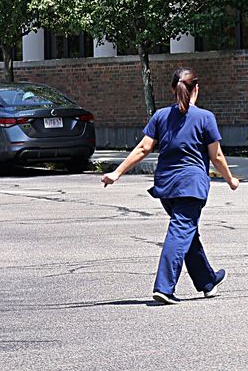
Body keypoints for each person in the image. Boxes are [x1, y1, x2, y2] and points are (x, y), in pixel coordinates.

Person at [102, 67, 240, 303]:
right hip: (191, 186)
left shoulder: (160, 116)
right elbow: (216, 156)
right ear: (196, 88)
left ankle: (207, 279)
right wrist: (231, 180)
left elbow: (144, 148)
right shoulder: (205, 118)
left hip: (167, 186)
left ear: (172, 89)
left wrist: (117, 173)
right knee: (180, 231)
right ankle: (164, 287)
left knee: (187, 232)